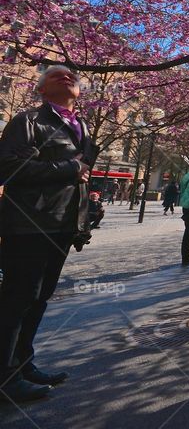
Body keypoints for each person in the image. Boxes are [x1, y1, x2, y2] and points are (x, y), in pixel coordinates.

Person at [0, 65, 97, 402]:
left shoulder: (82, 127)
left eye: (71, 76)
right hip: (28, 224)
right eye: (55, 75)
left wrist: (83, 221)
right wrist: (70, 168)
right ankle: (5, 378)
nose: (66, 76)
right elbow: (7, 167)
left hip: (62, 226)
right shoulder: (28, 121)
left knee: (39, 299)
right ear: (41, 90)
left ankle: (22, 365)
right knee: (17, 299)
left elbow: (81, 180)